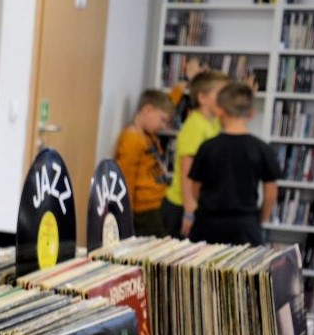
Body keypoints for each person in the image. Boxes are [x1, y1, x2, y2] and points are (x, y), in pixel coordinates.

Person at [187, 82, 280, 246]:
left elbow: (195, 188)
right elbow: (271, 193)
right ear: (251, 113)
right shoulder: (262, 149)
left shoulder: (208, 147)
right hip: (245, 225)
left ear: (220, 110)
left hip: (207, 224)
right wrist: (261, 219)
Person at [161, 68, 227, 238]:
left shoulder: (213, 123)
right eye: (221, 93)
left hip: (198, 205)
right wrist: (189, 211)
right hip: (181, 207)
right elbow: (186, 171)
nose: (225, 98)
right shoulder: (195, 126)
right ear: (203, 98)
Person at [113, 90, 174, 237]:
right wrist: (126, 214)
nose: (163, 126)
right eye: (162, 120)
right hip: (144, 210)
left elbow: (168, 102)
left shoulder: (147, 135)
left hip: (156, 204)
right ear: (148, 110)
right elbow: (126, 179)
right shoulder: (132, 139)